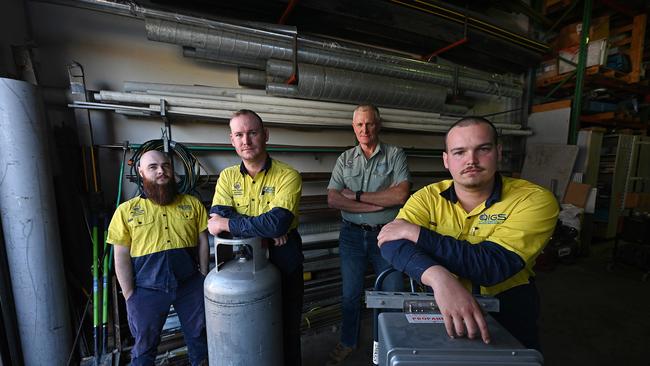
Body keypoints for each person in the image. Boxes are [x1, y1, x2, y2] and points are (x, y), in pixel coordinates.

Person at [377, 116, 559, 350]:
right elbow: (391, 243)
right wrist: (438, 278)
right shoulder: (427, 197)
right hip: (441, 302)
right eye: (459, 152)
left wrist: (418, 234)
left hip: (509, 306)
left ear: (498, 152)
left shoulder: (533, 199)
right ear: (446, 160)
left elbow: (492, 265)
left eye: (482, 149)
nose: (470, 160)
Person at [208, 109, 304, 366]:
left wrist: (232, 222)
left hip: (285, 256)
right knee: (248, 326)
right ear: (232, 140)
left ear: (265, 135)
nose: (246, 141)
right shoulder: (227, 177)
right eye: (239, 135)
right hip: (241, 258)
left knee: (287, 326)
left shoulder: (288, 175)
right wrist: (267, 231)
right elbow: (217, 223)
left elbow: (277, 222)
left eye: (252, 133)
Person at [326, 104, 411, 365]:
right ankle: (348, 342)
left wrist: (359, 196)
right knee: (350, 294)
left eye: (370, 123)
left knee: (393, 292)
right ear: (354, 127)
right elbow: (333, 199)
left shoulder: (395, 155)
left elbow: (400, 195)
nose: (365, 129)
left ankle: (390, 344)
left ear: (379, 125)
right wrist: (376, 204)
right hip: (351, 236)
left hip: (388, 235)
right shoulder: (345, 159)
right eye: (359, 124)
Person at [107, 150, 209, 366]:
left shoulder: (192, 204)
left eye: (166, 166)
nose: (161, 171)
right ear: (140, 171)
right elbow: (121, 254)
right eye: (153, 167)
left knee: (200, 337)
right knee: (144, 347)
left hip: (189, 285)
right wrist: (129, 294)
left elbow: (203, 241)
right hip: (146, 290)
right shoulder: (126, 211)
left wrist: (203, 274)